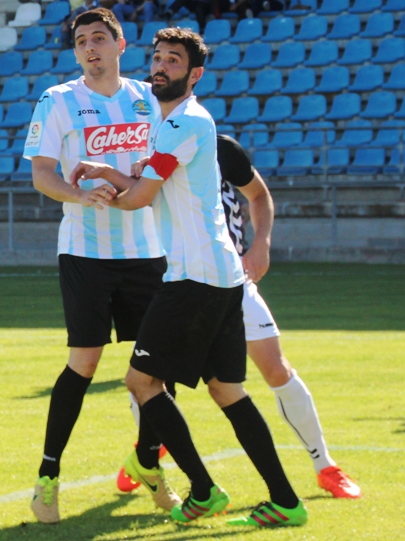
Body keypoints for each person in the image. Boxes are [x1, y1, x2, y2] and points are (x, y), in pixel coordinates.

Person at [71, 27, 309, 529]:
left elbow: (139, 198)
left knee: (140, 381)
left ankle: (202, 489)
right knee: (226, 390)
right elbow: (152, 181)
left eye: (173, 61)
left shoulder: (184, 122)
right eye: (157, 58)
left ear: (194, 74)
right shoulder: (174, 123)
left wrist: (104, 179)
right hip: (218, 274)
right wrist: (115, 171)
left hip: (194, 277)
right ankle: (286, 501)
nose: (160, 67)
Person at [118, 133, 362, 501]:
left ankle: (325, 466)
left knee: (275, 369)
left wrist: (261, 242)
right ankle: (148, 455)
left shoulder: (219, 147)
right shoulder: (154, 152)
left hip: (231, 279)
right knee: (153, 379)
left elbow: (259, 195)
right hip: (180, 283)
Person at [25, 8, 168, 525]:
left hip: (148, 250)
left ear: (121, 44)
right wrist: (80, 197)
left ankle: (149, 463)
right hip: (85, 251)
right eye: (82, 41)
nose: (91, 48)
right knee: (83, 363)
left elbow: (165, 168)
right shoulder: (58, 100)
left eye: (100, 39)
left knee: (157, 367)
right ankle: (47, 476)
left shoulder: (148, 98)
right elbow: (42, 174)